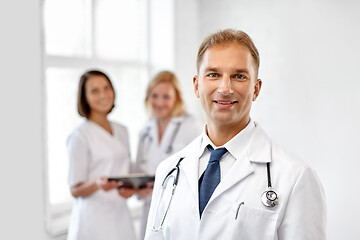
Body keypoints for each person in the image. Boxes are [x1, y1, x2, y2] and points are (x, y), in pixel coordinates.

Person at [144, 29, 327, 240]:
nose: (224, 88)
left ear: (256, 89)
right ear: (196, 85)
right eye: (213, 74)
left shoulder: (295, 177)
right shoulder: (169, 171)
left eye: (239, 76)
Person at [67, 70, 136, 240]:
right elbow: (75, 190)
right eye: (94, 91)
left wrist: (133, 187)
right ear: (84, 98)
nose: (103, 95)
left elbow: (126, 171)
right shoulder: (80, 136)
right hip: (93, 220)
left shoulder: (122, 131)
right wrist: (97, 184)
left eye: (106, 88)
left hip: (120, 215)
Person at [135, 71, 202, 239]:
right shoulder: (145, 132)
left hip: (180, 211)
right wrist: (140, 189)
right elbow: (139, 172)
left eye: (166, 97)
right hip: (150, 209)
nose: (159, 102)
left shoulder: (191, 126)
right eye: (154, 96)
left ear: (176, 98)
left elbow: (201, 172)